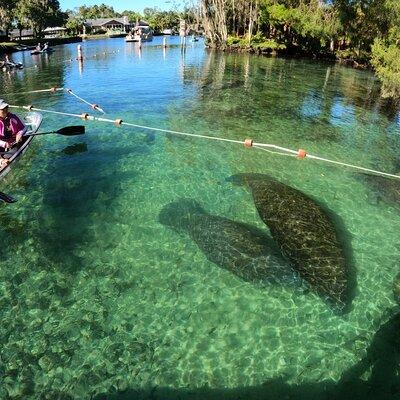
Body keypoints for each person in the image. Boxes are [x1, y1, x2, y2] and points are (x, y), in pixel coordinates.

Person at [0, 100, 27, 167]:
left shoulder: (13, 117)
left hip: (14, 142)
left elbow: (24, 127)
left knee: (23, 140)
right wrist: (4, 144)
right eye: (3, 109)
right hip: (2, 144)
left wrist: (20, 134)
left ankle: (5, 159)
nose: (6, 110)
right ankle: (1, 160)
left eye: (6, 107)